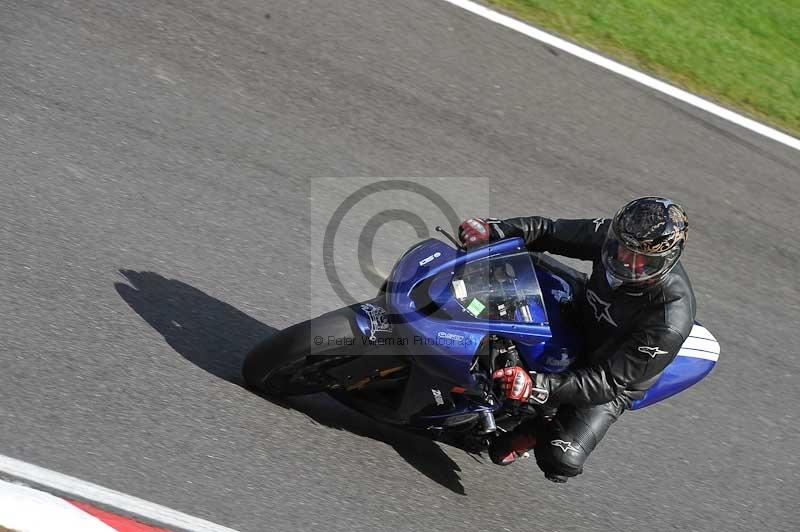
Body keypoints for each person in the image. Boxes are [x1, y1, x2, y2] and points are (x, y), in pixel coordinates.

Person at [458, 197, 695, 482]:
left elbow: (608, 381)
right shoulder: (617, 236)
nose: (624, 259)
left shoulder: (669, 319)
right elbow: (549, 230)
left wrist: (537, 386)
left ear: (665, 260)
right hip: (581, 310)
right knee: (512, 263)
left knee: (558, 459)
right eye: (621, 248)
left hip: (608, 374)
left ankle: (539, 424)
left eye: (640, 258)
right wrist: (497, 230)